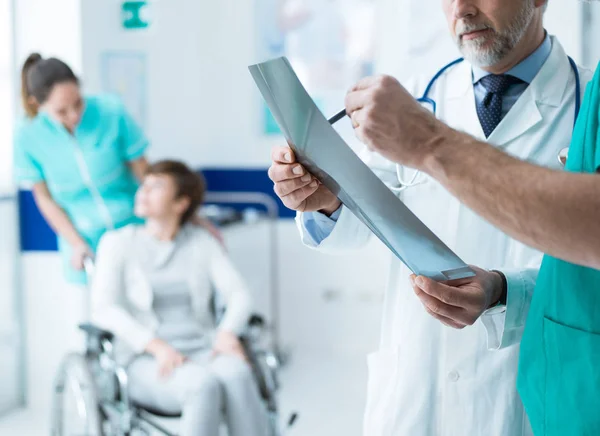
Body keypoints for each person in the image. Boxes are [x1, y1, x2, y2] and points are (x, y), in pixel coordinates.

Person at [268, 0, 592, 434]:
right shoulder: (415, 99)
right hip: (415, 390)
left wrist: (503, 292)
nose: (462, 8)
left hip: (523, 394)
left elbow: (588, 272)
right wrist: (324, 198)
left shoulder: (589, 108)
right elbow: (359, 220)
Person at [91, 160, 269, 436]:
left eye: (157, 186)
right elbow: (104, 308)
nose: (143, 192)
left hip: (203, 347)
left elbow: (238, 294)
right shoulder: (118, 243)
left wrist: (227, 333)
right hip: (145, 359)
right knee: (201, 384)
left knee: (237, 374)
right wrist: (156, 346)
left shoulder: (200, 241)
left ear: (181, 203)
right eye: (144, 185)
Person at [13, 53, 151, 283]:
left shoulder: (111, 111)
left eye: (78, 103)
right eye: (62, 111)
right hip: (84, 242)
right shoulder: (27, 137)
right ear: (36, 104)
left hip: (135, 229)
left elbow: (145, 173)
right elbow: (45, 199)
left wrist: (176, 217)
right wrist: (76, 243)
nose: (74, 115)